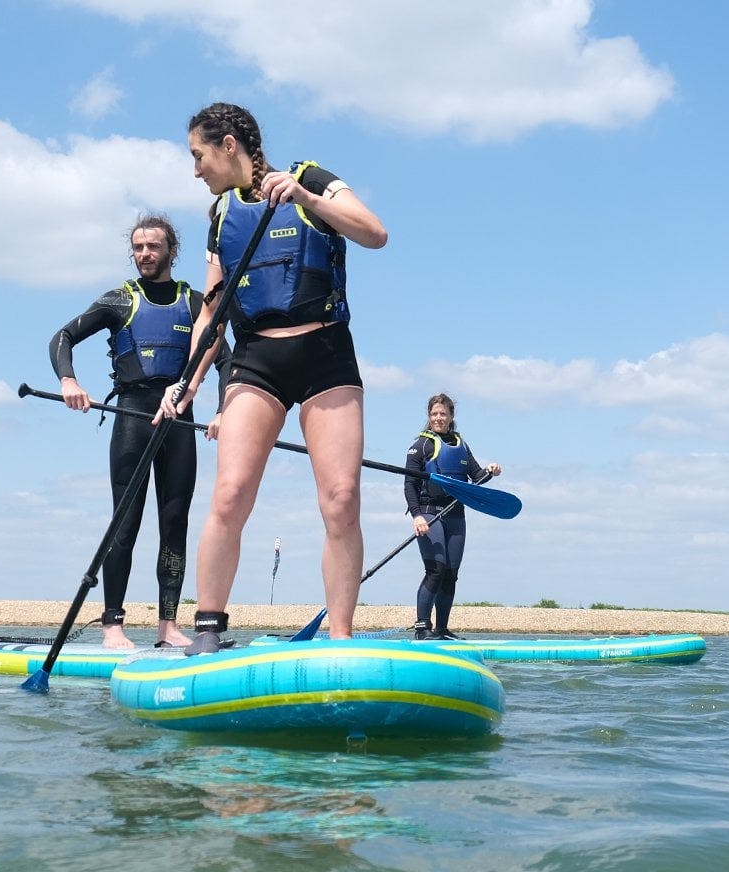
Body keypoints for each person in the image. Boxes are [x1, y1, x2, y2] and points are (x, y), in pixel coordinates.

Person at [157, 102, 388, 655]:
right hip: (256, 360)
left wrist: (307, 199)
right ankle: (209, 629)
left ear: (229, 144)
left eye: (198, 155)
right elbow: (212, 312)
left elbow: (375, 234)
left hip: (326, 353)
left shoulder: (311, 178)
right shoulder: (220, 214)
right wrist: (185, 385)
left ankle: (339, 638)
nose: (195, 169)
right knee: (231, 494)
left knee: (340, 497)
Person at [49, 213, 217, 649]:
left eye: (153, 247)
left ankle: (168, 626)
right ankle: (113, 624)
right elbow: (62, 337)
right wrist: (69, 380)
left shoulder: (195, 303)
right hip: (133, 415)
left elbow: (226, 360)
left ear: (170, 251)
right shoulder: (118, 301)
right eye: (139, 247)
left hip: (180, 417)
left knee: (174, 522)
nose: (145, 254)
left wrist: (223, 411)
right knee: (125, 521)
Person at [405, 392, 501, 640]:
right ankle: (422, 628)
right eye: (434, 413)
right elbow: (409, 484)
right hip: (429, 514)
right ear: (429, 416)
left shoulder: (462, 446)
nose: (438, 417)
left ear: (451, 416)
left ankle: (442, 629)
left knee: (451, 573)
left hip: (456, 515)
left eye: (443, 414)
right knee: (435, 570)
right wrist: (417, 516)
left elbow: (476, 477)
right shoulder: (420, 445)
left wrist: (490, 471)